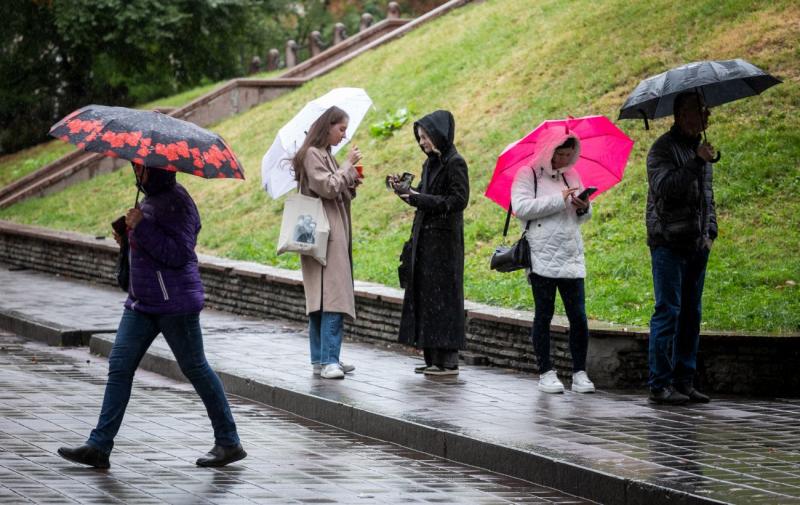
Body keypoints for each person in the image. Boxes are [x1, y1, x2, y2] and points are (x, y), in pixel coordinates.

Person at [58, 163, 246, 469]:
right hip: (142, 303)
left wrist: (142, 227)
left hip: (175, 305)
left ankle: (228, 441)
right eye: (137, 167)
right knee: (119, 366)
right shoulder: (150, 200)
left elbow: (180, 253)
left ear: (159, 168)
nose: (138, 172)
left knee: (195, 368)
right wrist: (128, 238)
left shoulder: (178, 202)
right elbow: (149, 248)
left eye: (143, 167)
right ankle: (99, 445)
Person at [645, 92, 717, 405]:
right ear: (678, 115)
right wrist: (695, 162)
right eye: (693, 111)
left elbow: (707, 197)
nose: (701, 116)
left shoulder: (700, 149)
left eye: (704, 111)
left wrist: (711, 231)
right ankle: (659, 384)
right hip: (668, 243)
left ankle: (684, 380)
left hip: (697, 244)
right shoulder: (662, 149)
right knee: (668, 312)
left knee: (692, 314)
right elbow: (665, 188)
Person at [510, 131, 595, 394]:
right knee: (543, 315)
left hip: (571, 254)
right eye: (561, 154)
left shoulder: (572, 174)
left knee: (578, 317)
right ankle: (545, 371)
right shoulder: (529, 174)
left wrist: (583, 206)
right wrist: (560, 200)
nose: (565, 159)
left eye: (570, 154)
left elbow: (582, 216)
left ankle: (580, 372)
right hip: (541, 255)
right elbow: (521, 208)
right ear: (549, 150)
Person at [391, 110, 469, 376]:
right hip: (425, 240)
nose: (422, 142)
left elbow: (458, 201)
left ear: (439, 134)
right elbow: (423, 195)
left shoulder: (455, 163)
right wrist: (406, 193)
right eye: (420, 137)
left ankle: (448, 361)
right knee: (426, 297)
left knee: (444, 298)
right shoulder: (430, 163)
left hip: (445, 244)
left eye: (425, 137)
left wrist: (419, 198)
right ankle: (432, 357)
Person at [291, 106, 362, 380]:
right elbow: (328, 187)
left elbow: (337, 188)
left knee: (325, 297)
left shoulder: (324, 155)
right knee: (332, 297)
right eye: (341, 129)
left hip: (330, 233)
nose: (344, 136)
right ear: (327, 126)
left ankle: (323, 358)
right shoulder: (312, 154)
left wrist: (351, 179)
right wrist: (347, 166)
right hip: (324, 234)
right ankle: (328, 360)